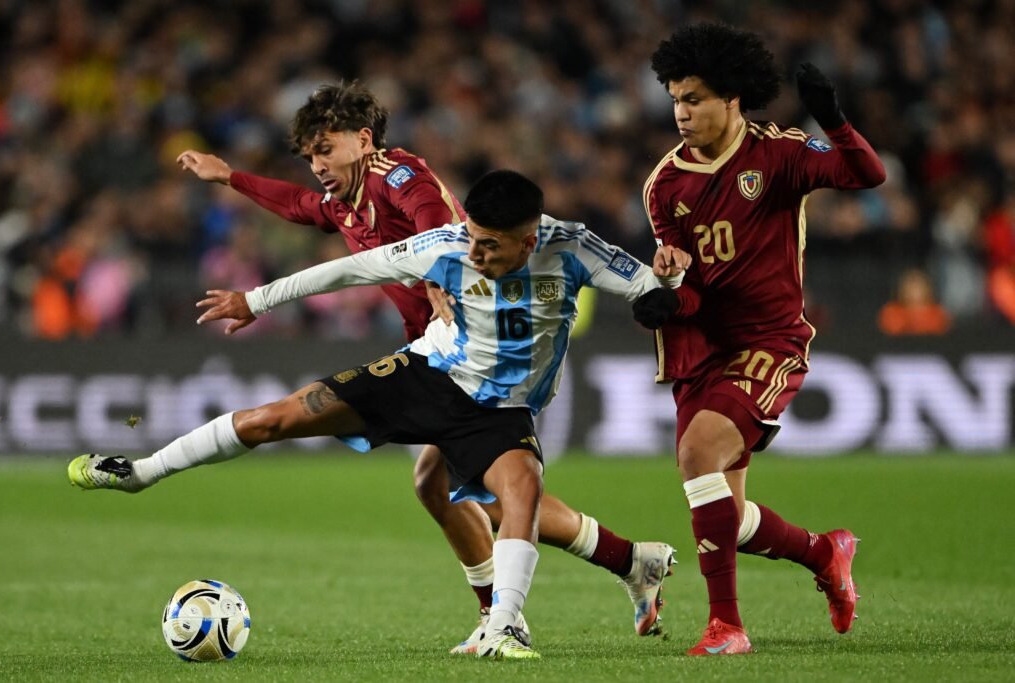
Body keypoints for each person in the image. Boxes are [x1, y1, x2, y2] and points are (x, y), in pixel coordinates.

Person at [69, 170, 690, 659]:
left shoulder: (572, 248)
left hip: (499, 407)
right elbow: (348, 269)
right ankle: (143, 470)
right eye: (471, 237)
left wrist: (662, 295)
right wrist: (255, 299)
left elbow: (648, 285)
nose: (474, 254)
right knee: (275, 419)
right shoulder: (446, 246)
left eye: (491, 246)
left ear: (530, 240)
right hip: (427, 373)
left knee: (514, 492)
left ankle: (506, 625)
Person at [173, 83, 676, 651]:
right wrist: (231, 177)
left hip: (468, 353)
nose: (317, 166)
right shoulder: (346, 197)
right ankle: (621, 566)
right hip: (436, 351)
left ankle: (573, 585)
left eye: (325, 150)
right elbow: (301, 207)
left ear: (363, 140)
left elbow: (433, 219)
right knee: (441, 487)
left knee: (487, 493)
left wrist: (438, 277)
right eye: (309, 156)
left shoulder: (398, 174)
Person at [632, 23, 886, 655]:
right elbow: (690, 286)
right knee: (730, 515)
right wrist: (667, 302)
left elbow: (867, 175)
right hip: (700, 349)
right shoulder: (665, 185)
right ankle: (826, 552)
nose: (681, 112)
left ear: (732, 98)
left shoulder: (779, 155)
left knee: (695, 459)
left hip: (768, 343)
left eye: (694, 98)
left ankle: (726, 628)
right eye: (674, 99)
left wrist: (833, 119)